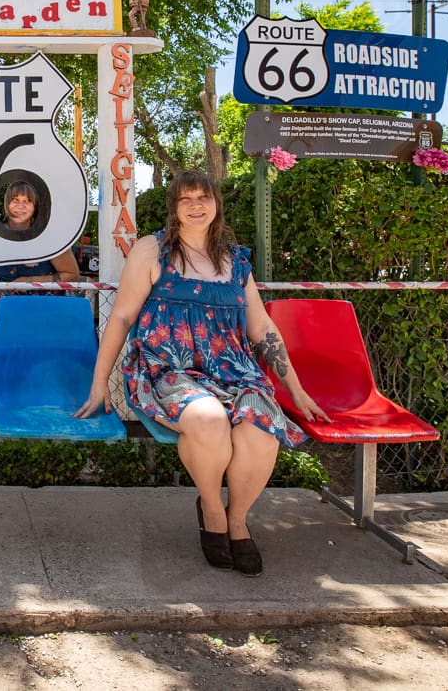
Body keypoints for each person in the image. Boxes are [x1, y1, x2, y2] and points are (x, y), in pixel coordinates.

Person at [74, 169, 328, 577]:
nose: (196, 206)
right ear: (174, 208)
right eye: (186, 199)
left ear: (216, 205)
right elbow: (121, 317)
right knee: (209, 422)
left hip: (235, 372)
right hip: (167, 369)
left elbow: (261, 329)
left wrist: (296, 392)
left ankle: (238, 519)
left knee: (261, 429)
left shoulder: (235, 261)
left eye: (204, 198)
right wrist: (99, 380)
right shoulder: (151, 251)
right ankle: (212, 508)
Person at [0, 180, 80, 316]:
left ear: (35, 205)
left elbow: (72, 275)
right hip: (6, 311)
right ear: (7, 203)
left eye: (27, 201)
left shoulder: (49, 236)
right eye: (15, 200)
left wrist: (29, 282)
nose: (21, 205)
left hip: (45, 311)